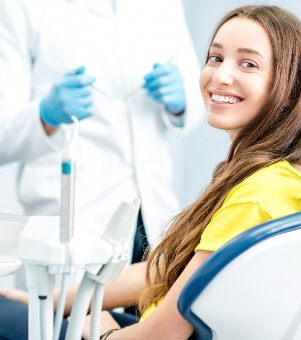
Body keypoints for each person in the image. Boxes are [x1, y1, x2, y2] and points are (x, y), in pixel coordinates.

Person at [0, 5, 301, 339]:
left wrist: (103, 332)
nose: (221, 75)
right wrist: (45, 115)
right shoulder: (287, 176)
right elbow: (166, 271)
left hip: (144, 283)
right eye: (215, 58)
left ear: (289, 88)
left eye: (248, 63)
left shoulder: (256, 195)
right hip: (80, 210)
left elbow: (161, 334)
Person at [0, 0, 203, 266]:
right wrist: (45, 115)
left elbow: (197, 99)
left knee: (151, 301)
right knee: (76, 306)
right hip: (73, 220)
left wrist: (182, 101)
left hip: (154, 214)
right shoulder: (20, 6)